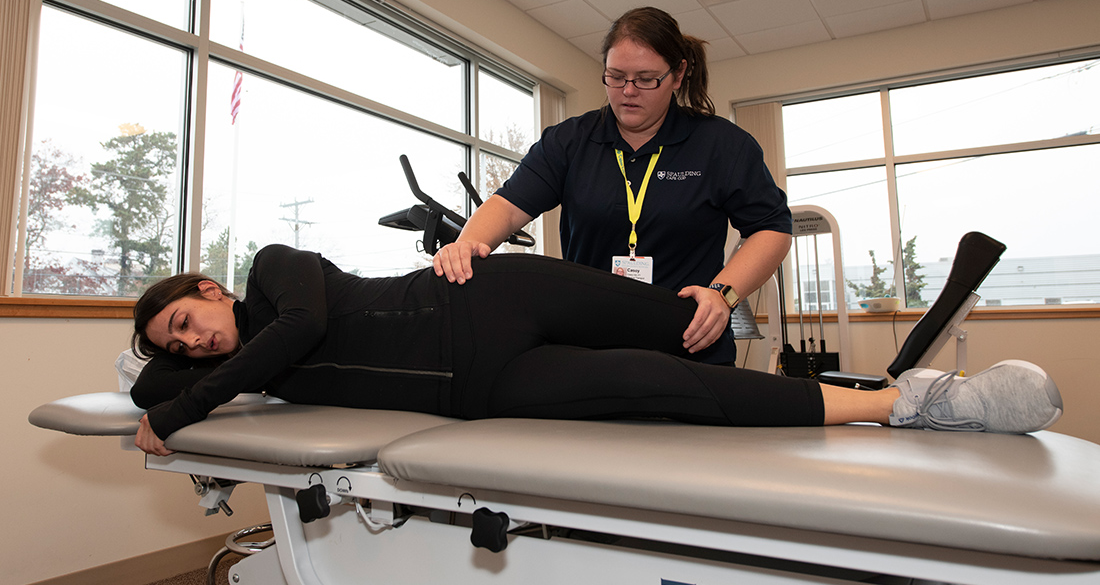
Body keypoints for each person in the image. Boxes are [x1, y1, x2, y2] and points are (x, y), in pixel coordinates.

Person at [130, 244, 1063, 456]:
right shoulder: (234, 375)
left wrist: (177, 411)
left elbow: (293, 332)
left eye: (185, 320)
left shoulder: (274, 274)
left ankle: (754, 367)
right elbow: (151, 392)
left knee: (680, 323)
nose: (194, 343)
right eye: (180, 347)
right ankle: (917, 403)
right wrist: (163, 394)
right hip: (489, 385)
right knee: (652, 382)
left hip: (496, 295)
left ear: (209, 290)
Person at [433, 7, 792, 365]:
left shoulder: (722, 145)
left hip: (689, 346)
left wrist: (723, 294)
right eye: (615, 77)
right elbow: (509, 206)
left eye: (646, 79)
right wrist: (465, 247)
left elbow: (772, 228)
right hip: (589, 348)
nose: (628, 92)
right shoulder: (569, 141)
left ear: (678, 74)